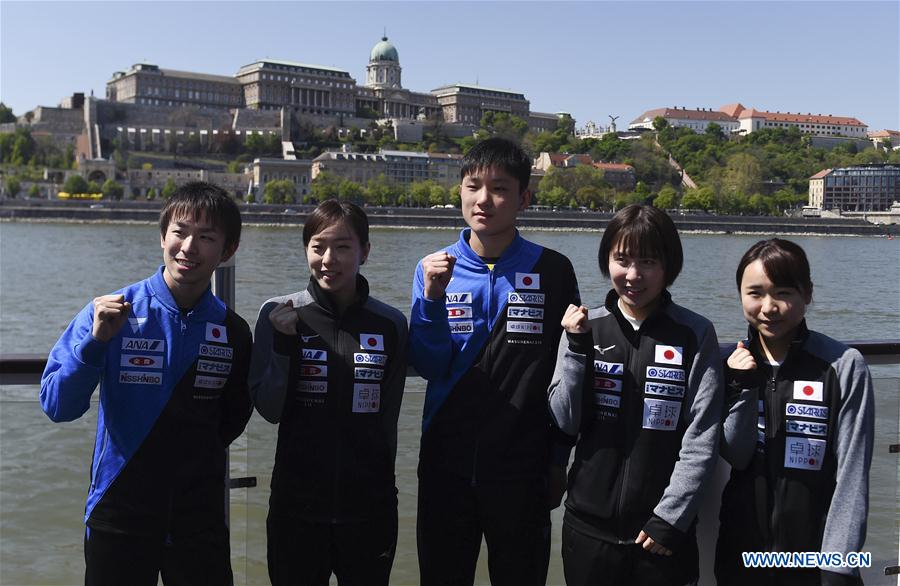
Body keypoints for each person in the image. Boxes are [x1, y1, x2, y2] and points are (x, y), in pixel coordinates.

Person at [40, 182, 251, 585]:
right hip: (118, 511)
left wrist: (187, 460)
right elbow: (57, 405)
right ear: (162, 237)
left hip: (198, 520)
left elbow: (234, 415)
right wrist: (96, 342)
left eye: (206, 237)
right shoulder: (112, 311)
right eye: (180, 232)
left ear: (227, 251)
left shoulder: (233, 331)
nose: (189, 247)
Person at [410, 137, 580, 585]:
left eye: (500, 188)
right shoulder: (434, 268)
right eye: (473, 186)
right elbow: (429, 364)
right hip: (446, 459)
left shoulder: (554, 271)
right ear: (460, 192)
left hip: (523, 465)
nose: (484, 199)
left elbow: (569, 374)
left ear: (524, 197)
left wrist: (558, 459)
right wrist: (430, 299)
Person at [547, 204, 723, 586]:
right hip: (587, 526)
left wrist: (670, 518)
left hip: (659, 533)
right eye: (621, 260)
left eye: (647, 262)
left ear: (668, 267)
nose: (633, 275)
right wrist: (576, 349)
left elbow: (702, 436)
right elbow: (564, 420)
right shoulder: (585, 326)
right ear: (606, 259)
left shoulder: (695, 333)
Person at [249, 200, 408, 586]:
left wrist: (381, 488)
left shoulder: (390, 323)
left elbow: (388, 419)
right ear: (306, 250)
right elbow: (269, 409)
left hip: (369, 509)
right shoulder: (278, 314)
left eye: (342, 247)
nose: (328, 259)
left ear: (365, 251)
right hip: (296, 508)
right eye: (318, 246)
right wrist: (286, 346)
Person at [715, 238, 874, 586]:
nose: (769, 307)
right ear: (739, 295)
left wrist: (840, 563)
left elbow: (852, 473)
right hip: (741, 553)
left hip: (816, 558)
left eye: (784, 293)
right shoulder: (726, 363)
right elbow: (737, 455)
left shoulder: (843, 367)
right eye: (755, 293)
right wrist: (743, 386)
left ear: (807, 293)